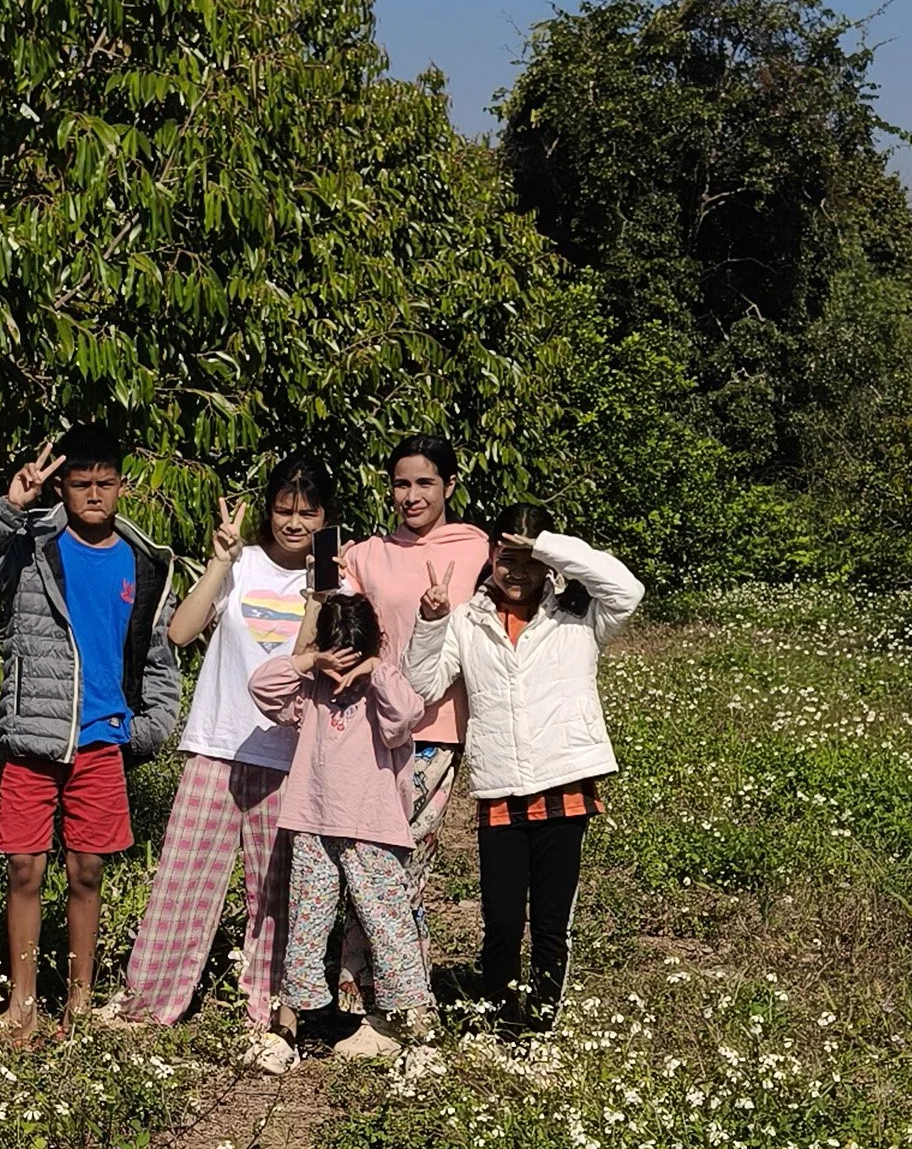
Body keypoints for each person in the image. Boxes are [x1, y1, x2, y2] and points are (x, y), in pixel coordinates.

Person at [0, 423, 179, 1041]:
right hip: (34, 735)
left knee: (87, 871)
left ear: (122, 486)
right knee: (24, 867)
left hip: (102, 739)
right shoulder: (32, 544)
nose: (93, 494)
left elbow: (155, 653)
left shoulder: (144, 562)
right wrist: (9, 508)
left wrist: (151, 727)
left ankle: (78, 1008)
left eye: (105, 483)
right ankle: (20, 1008)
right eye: (80, 484)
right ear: (62, 487)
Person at [113, 454, 335, 1071]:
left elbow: (302, 663)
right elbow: (180, 632)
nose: (294, 523)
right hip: (217, 742)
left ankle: (269, 1013)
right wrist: (220, 561)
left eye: (308, 513)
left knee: (276, 890)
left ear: (326, 518)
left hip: (290, 756)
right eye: (284, 510)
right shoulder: (243, 564)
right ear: (269, 510)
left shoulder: (335, 583)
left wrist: (319, 597)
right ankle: (148, 1002)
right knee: (182, 877)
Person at [407, 503, 643, 1033]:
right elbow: (423, 684)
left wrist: (547, 546)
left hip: (565, 783)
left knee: (552, 923)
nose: (518, 572)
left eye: (529, 560)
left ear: (549, 562)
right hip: (500, 786)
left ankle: (541, 1023)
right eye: (506, 558)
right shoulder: (467, 620)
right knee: (502, 920)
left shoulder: (579, 614)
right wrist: (431, 621)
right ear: (490, 557)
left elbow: (628, 590)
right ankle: (500, 1023)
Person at [251, 589, 433, 1065]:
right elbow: (261, 687)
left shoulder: (384, 689)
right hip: (311, 820)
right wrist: (310, 661)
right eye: (335, 657)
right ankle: (286, 1030)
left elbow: (406, 717)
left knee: (388, 925)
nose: (341, 672)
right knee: (305, 926)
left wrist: (375, 669)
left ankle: (416, 1032)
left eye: (352, 657)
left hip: (371, 826)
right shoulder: (310, 691)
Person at [338, 435, 490, 991]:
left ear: (450, 485)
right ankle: (359, 988)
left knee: (407, 861)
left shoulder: (477, 548)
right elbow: (338, 627)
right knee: (364, 857)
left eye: (425, 482)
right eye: (401, 484)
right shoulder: (365, 554)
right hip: (369, 729)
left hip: (436, 729)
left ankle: (401, 994)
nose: (412, 495)